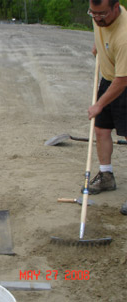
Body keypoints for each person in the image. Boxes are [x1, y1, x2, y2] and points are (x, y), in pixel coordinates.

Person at [85, 0, 127, 215]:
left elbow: (123, 80)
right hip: (110, 77)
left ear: (115, 7)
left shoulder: (125, 35)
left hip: (124, 81)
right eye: (93, 13)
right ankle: (106, 176)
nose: (97, 18)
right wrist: (99, 47)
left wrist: (99, 104)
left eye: (102, 14)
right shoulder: (98, 17)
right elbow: (100, 31)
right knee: (101, 129)